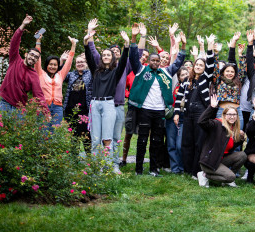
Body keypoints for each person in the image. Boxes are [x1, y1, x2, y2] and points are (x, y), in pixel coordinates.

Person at [127, 28, 186, 176]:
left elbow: (179, 62)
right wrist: (134, 37)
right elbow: (133, 56)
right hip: (145, 110)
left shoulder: (166, 72)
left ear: (160, 62)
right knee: (142, 140)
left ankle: (154, 169)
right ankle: (138, 170)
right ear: (149, 61)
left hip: (160, 111)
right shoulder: (141, 70)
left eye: (157, 60)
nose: (155, 62)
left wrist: (183, 46)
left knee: (157, 141)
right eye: (152, 60)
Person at [84, 29, 129, 161]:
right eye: (104, 55)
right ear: (102, 58)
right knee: (95, 138)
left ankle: (108, 166)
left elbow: (124, 60)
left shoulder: (116, 73)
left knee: (107, 138)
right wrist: (85, 42)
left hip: (109, 104)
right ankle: (95, 167)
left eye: (109, 55)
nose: (106, 57)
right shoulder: (96, 71)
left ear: (113, 58)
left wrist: (126, 44)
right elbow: (89, 57)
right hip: (95, 104)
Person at [175, 35, 216, 177]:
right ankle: (187, 169)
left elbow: (211, 64)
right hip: (187, 113)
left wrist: (209, 46)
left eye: (201, 65)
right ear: (193, 66)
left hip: (201, 113)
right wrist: (176, 113)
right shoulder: (187, 80)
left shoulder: (205, 79)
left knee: (199, 143)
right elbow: (179, 97)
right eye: (196, 65)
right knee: (186, 142)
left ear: (204, 68)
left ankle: (196, 171)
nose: (198, 67)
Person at [197, 95, 247, 188]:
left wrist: (241, 139)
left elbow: (230, 147)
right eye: (229, 114)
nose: (232, 117)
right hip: (209, 161)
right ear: (224, 115)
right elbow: (201, 122)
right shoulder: (217, 124)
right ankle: (204, 175)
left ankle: (226, 178)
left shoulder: (233, 129)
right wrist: (211, 108)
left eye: (234, 115)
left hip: (219, 160)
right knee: (231, 177)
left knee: (242, 155)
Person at [0, 15, 46, 111]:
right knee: (1, 126)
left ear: (37, 61)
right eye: (31, 55)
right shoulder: (15, 60)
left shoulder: (33, 75)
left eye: (36, 57)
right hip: (5, 103)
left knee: (17, 127)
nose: (33, 58)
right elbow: (14, 42)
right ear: (26, 54)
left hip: (19, 108)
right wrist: (23, 25)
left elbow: (39, 95)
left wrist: (45, 111)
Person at [34, 33, 77, 126]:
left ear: (58, 66)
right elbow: (37, 59)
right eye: (50, 64)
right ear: (47, 65)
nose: (52, 66)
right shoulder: (41, 73)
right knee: (43, 131)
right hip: (43, 106)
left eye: (55, 65)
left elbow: (69, 62)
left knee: (55, 133)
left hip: (57, 107)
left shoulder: (60, 75)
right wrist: (38, 41)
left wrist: (73, 45)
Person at [64, 53, 92, 154]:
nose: (80, 64)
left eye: (82, 62)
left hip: (85, 111)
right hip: (70, 111)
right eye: (78, 62)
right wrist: (62, 61)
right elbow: (60, 74)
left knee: (86, 136)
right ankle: (74, 160)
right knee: (73, 137)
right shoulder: (71, 75)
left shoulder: (91, 74)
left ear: (87, 63)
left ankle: (90, 160)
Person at [167, 67, 188, 174]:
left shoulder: (190, 87)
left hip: (184, 117)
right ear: (179, 77)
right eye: (182, 75)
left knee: (180, 144)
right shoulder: (175, 86)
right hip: (172, 116)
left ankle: (181, 167)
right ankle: (174, 168)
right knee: (171, 143)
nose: (185, 76)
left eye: (186, 74)